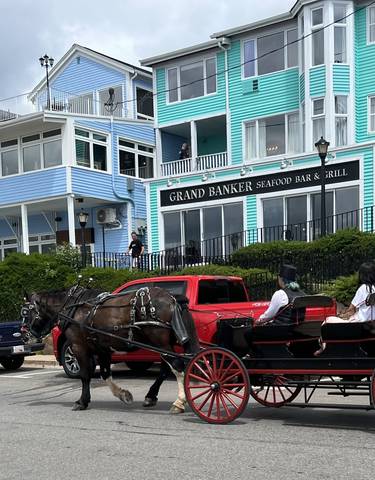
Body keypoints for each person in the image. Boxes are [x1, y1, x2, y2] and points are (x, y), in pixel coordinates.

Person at [314, 262, 375, 356]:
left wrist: (340, 315)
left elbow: (351, 310)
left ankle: (324, 348)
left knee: (327, 321)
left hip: (360, 325)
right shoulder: (373, 289)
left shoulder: (363, 288)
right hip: (370, 323)